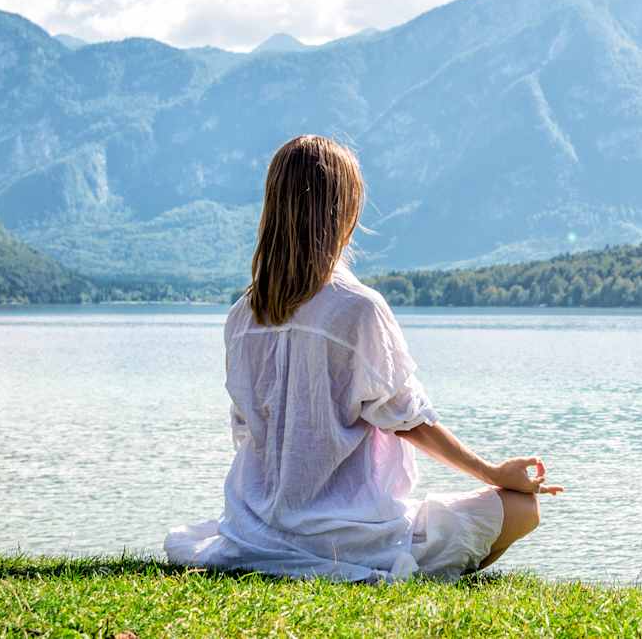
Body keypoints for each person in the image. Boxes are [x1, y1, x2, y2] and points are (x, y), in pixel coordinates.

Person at [164, 135, 561, 581]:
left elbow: (245, 431)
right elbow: (410, 421)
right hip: (345, 537)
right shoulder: (357, 307)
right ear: (345, 212)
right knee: (523, 508)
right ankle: (417, 572)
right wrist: (492, 471)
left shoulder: (243, 315)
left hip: (253, 528)